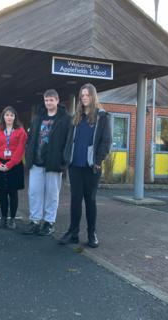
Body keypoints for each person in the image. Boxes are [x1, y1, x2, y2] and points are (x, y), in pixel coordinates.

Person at [59, 83, 112, 248]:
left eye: (87, 95)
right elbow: (69, 140)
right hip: (75, 165)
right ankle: (73, 233)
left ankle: (91, 233)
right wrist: (66, 158)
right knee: (75, 200)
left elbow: (106, 141)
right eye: (82, 96)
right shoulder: (76, 117)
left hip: (92, 167)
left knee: (90, 200)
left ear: (93, 96)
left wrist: (98, 160)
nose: (84, 98)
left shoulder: (102, 117)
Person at [23, 89, 72, 236]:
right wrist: (28, 154)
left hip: (54, 163)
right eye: (46, 100)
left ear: (57, 100)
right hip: (37, 162)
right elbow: (31, 137)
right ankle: (35, 221)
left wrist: (63, 161)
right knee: (34, 192)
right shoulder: (38, 117)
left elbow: (68, 142)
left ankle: (49, 223)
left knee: (52, 194)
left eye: (51, 100)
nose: (48, 102)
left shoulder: (65, 119)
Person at [0, 106, 27, 229]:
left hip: (14, 165)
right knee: (2, 193)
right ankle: (3, 218)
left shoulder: (21, 131)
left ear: (15, 117)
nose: (9, 117)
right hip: (0, 164)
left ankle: (12, 219)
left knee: (13, 192)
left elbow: (20, 150)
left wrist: (9, 164)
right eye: (7, 115)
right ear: (3, 117)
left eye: (11, 115)